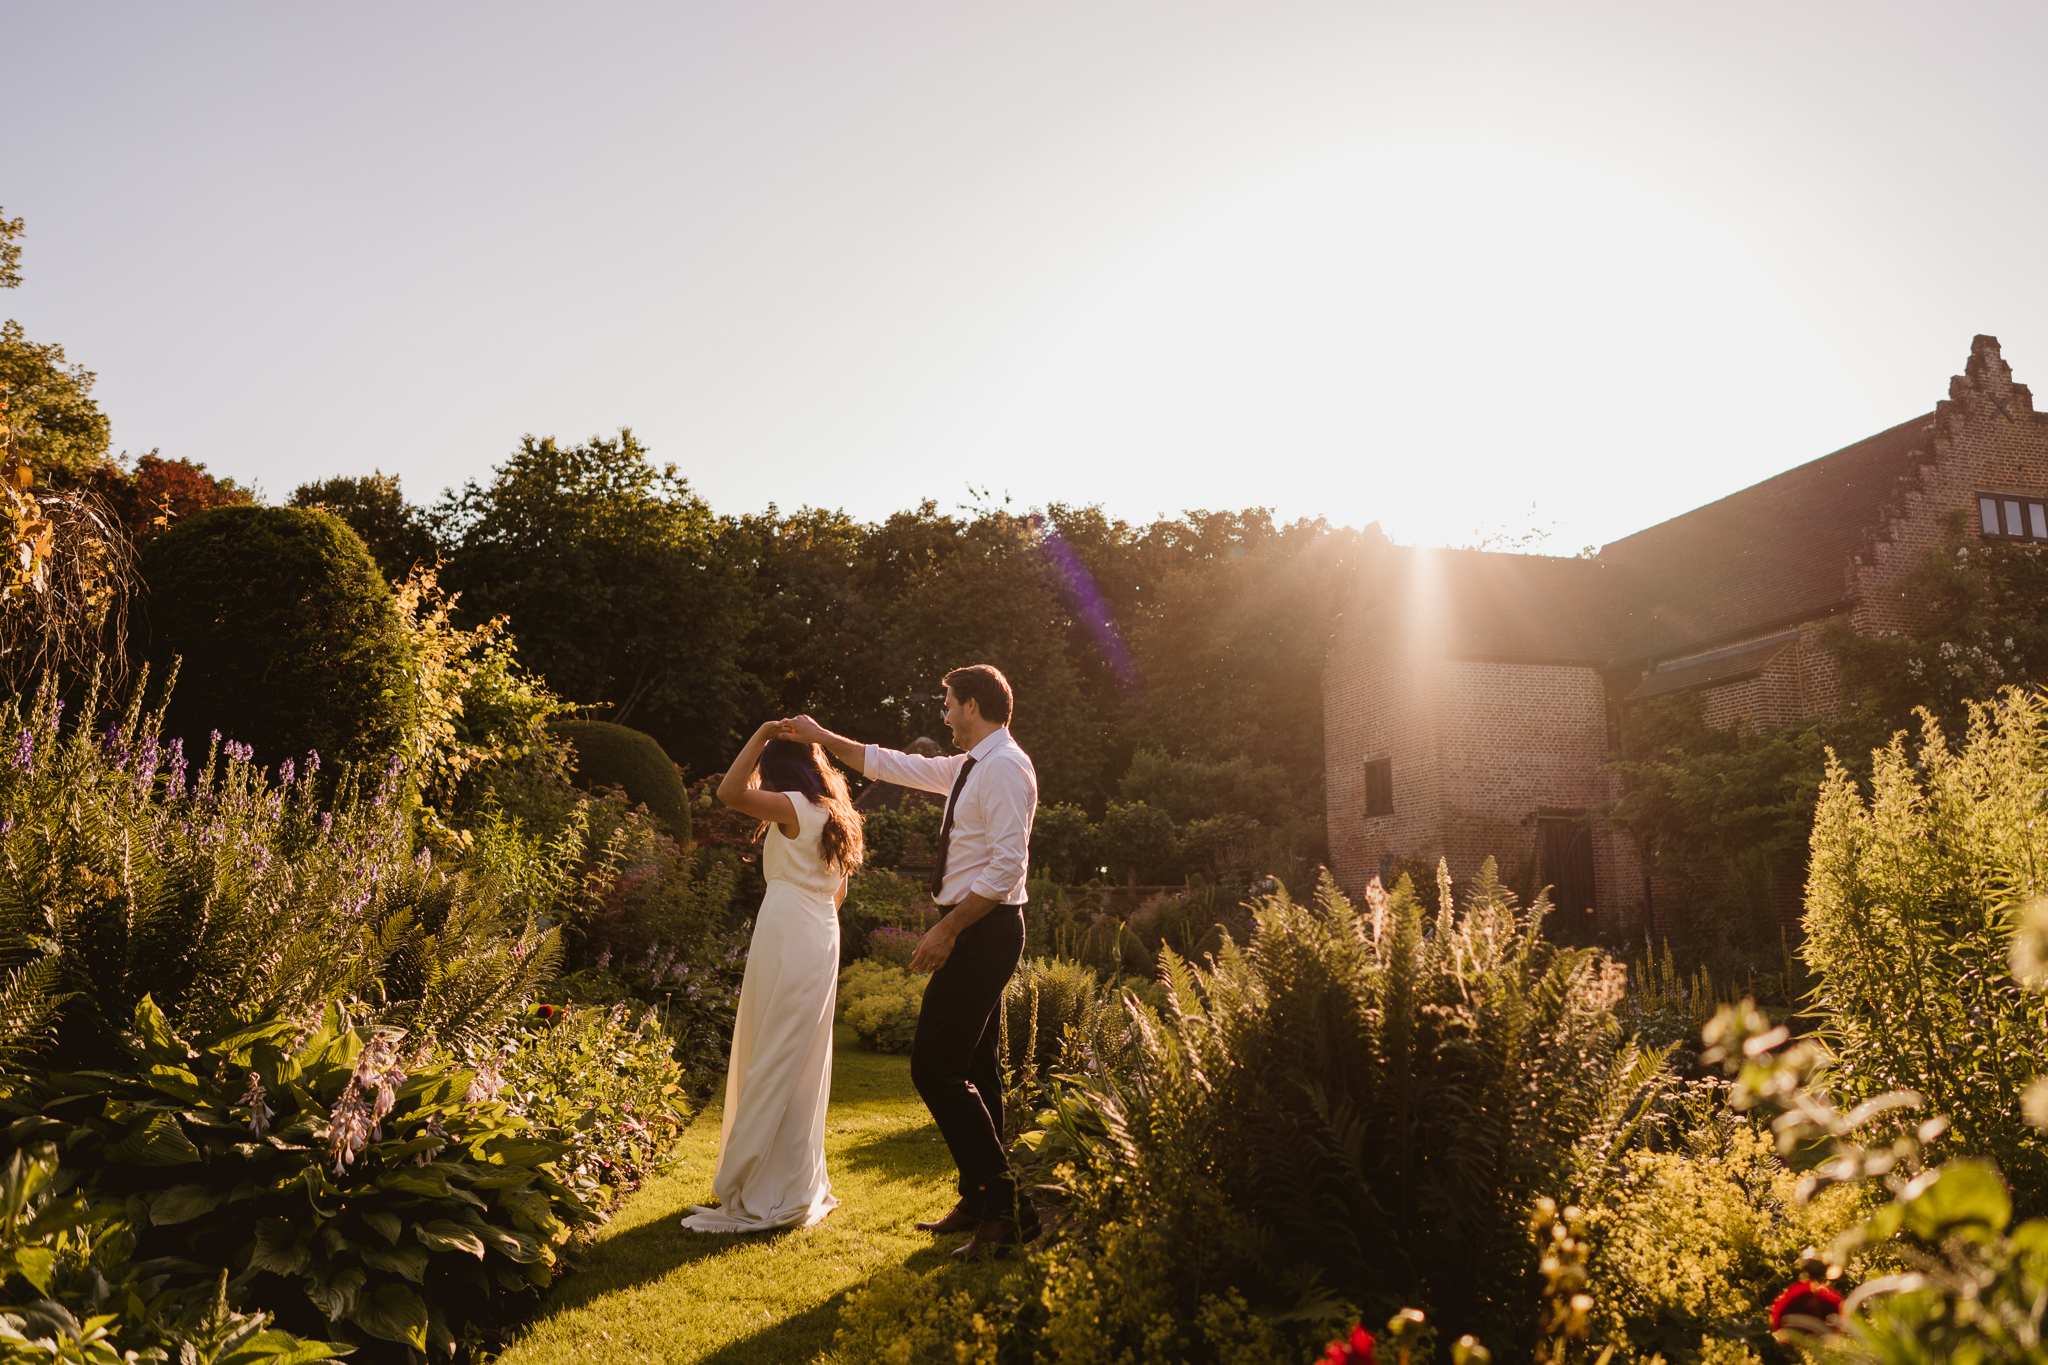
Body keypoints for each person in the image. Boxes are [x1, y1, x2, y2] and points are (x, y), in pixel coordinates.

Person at [783, 663, 1039, 1259]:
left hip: (985, 930)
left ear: (973, 704)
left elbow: (1007, 868)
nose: (944, 716)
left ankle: (1010, 1211)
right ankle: (980, 1199)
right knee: (977, 1068)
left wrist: (947, 930)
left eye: (949, 704)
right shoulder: (971, 765)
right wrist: (820, 736)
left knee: (935, 1069)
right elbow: (888, 762)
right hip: (978, 928)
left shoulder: (1003, 768)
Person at [681, 723, 863, 1233]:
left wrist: (760, 733)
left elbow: (728, 793)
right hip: (822, 932)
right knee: (802, 1057)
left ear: (776, 762)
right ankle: (790, 1175)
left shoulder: (792, 806)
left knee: (774, 1050)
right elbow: (840, 894)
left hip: (786, 929)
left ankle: (760, 1181)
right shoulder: (836, 813)